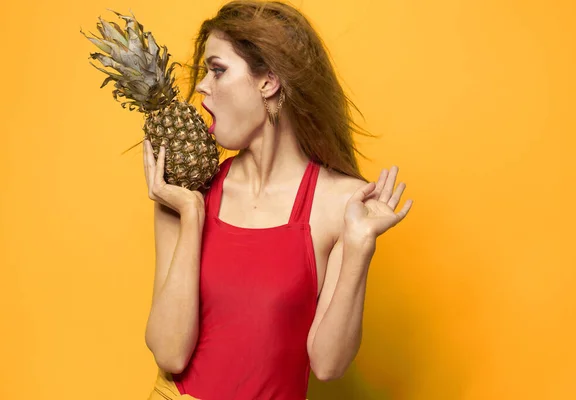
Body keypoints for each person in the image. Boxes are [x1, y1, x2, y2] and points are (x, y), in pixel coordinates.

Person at [143, 1, 413, 399]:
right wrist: (190, 214)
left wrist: (358, 246)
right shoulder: (186, 193)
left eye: (217, 70)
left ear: (268, 80)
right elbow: (169, 353)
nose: (202, 86)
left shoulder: (341, 203)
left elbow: (328, 364)